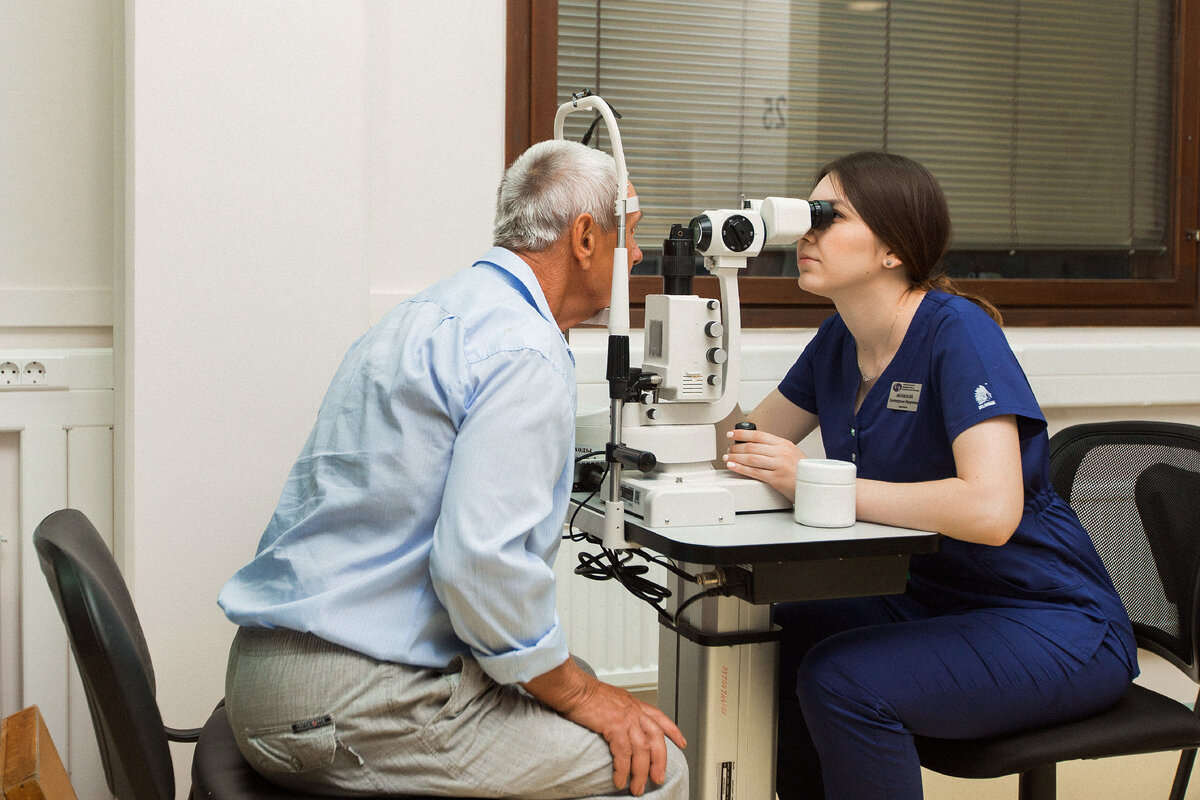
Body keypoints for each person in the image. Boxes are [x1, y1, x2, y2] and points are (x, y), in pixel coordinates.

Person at [217, 138, 687, 800]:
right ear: (586, 238)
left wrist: (570, 683)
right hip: (351, 704)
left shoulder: (425, 313)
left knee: (566, 680)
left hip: (271, 676)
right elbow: (480, 566)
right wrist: (584, 694)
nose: (636, 257)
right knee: (656, 766)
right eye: (629, 236)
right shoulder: (525, 347)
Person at [722, 151, 1137, 800]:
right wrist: (701, 342)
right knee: (789, 628)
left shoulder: (958, 332)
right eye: (807, 215)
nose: (807, 231)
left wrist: (817, 482)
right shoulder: (839, 340)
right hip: (934, 601)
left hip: (1050, 621)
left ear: (891, 249)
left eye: (829, 217)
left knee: (842, 678)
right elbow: (748, 441)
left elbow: (991, 511)